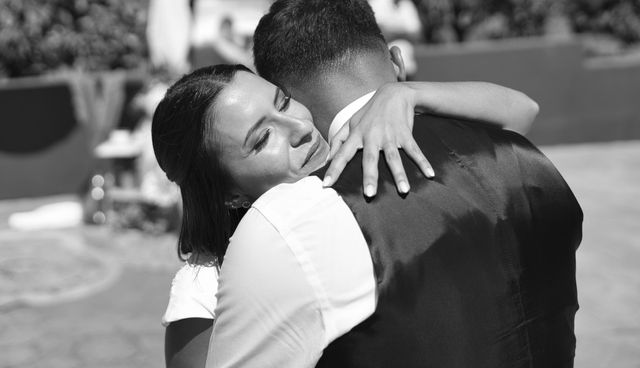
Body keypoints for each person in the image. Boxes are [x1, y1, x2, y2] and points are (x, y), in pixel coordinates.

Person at [203, 0, 583, 368]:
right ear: (398, 62)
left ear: (293, 102)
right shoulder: (527, 161)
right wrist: (407, 92)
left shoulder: (291, 220)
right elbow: (524, 110)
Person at [154, 67, 540, 367]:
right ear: (228, 194)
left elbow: (521, 113)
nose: (300, 129)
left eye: (284, 102)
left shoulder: (362, 154)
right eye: (261, 139)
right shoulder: (204, 286)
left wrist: (406, 93)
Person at [367, 0, 422, 79]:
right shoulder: (376, 1)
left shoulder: (408, 5)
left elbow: (417, 34)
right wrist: (405, 33)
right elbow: (378, 34)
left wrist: (393, 32)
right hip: (382, 70)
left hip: (408, 69)